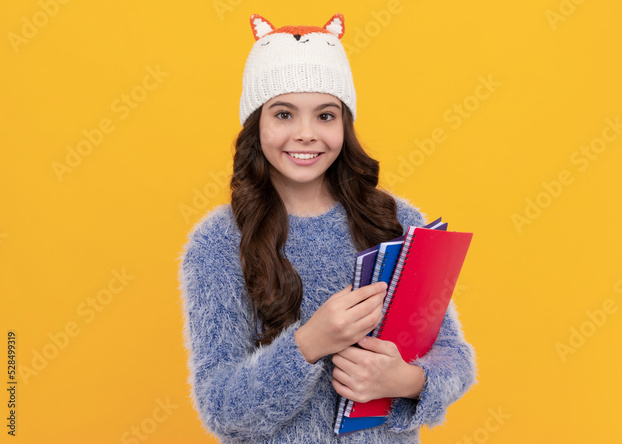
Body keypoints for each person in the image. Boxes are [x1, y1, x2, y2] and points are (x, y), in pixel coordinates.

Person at [178, 13, 477, 443]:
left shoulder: (395, 222)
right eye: (283, 114)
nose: (305, 134)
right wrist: (308, 344)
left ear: (344, 125)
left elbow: (455, 359)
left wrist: (406, 380)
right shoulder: (218, 243)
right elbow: (221, 409)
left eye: (325, 115)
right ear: (256, 124)